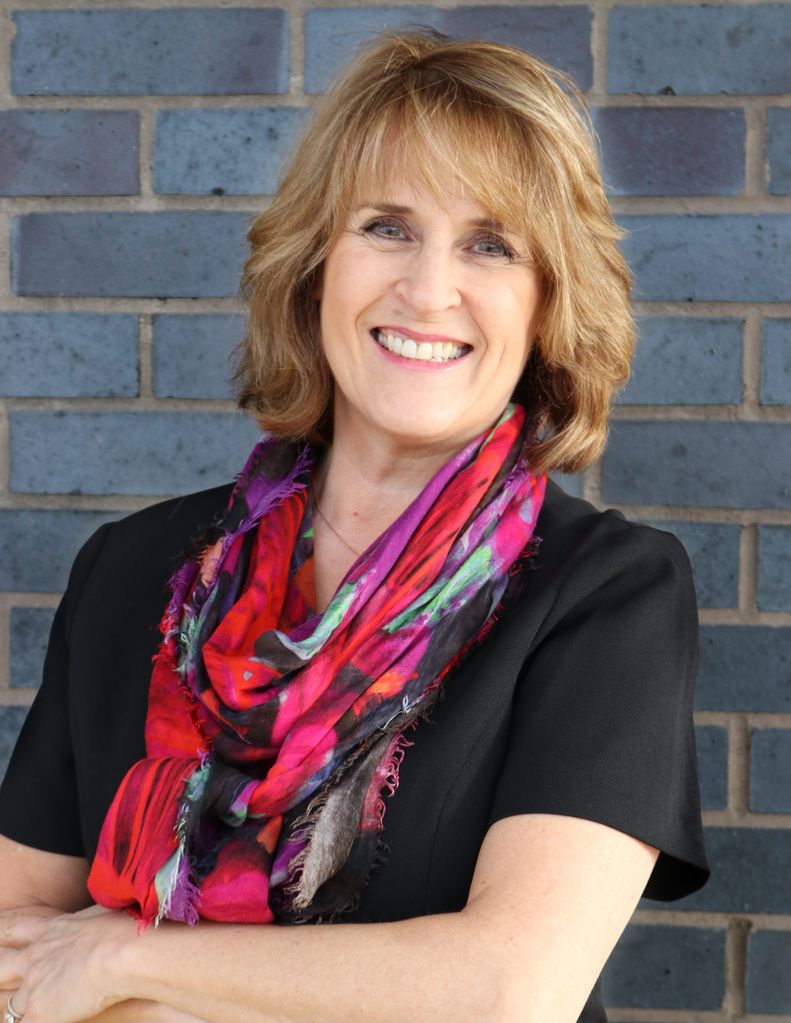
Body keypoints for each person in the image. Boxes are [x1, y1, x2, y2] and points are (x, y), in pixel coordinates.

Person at [0, 28, 709, 1023]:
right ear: (315, 263)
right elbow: (15, 952)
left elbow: (508, 989)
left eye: (490, 245)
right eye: (385, 226)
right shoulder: (134, 569)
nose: (427, 289)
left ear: (547, 301)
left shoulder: (604, 592)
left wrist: (125, 962)